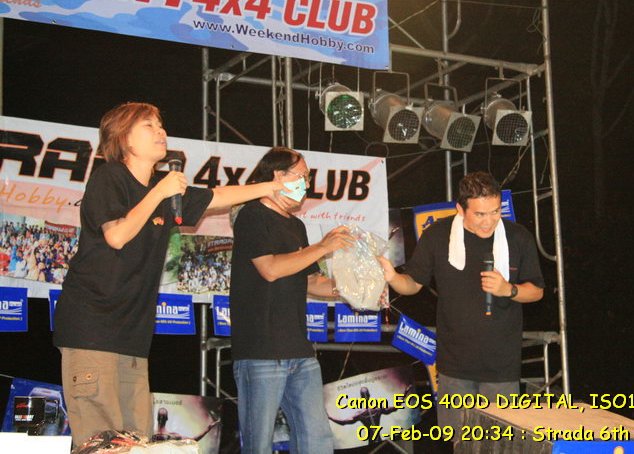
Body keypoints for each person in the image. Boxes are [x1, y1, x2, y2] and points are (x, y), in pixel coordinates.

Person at [53, 102, 294, 447]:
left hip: (132, 334)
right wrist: (159, 193)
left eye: (160, 125)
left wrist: (270, 187)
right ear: (125, 138)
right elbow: (116, 235)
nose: (161, 131)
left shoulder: (163, 189)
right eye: (148, 126)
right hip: (91, 327)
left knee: (135, 439)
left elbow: (218, 196)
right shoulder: (111, 177)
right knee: (102, 441)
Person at [379, 172, 545, 432]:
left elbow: (536, 291)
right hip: (454, 366)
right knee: (460, 442)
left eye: (495, 211)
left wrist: (508, 289)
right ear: (460, 209)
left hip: (502, 367)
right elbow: (412, 284)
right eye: (480, 214)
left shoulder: (518, 236)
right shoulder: (437, 235)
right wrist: (392, 277)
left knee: (499, 445)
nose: (489, 221)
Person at [230, 146, 355, 454]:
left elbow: (312, 281)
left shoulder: (296, 225)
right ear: (278, 175)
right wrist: (323, 247)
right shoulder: (251, 215)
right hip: (261, 351)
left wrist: (355, 289)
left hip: (299, 349)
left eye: (308, 178)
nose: (307, 183)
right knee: (259, 444)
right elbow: (270, 269)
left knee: (317, 439)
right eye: (302, 176)